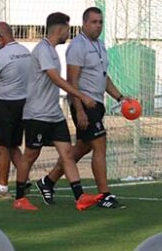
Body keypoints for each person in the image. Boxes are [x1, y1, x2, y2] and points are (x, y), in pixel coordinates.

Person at [35, 7, 128, 209]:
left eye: (101, 22)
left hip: (97, 103)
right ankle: (105, 195)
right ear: (85, 23)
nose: (98, 26)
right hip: (85, 105)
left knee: (82, 148)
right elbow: (72, 81)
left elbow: (104, 77)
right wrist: (79, 109)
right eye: (94, 22)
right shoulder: (77, 46)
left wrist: (120, 97)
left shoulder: (101, 45)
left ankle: (48, 181)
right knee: (100, 144)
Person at [12, 12, 101, 211]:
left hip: (54, 114)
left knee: (68, 153)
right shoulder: (42, 50)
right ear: (59, 30)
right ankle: (19, 198)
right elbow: (55, 78)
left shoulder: (52, 51)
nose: (68, 33)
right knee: (30, 156)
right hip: (37, 114)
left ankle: (80, 197)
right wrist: (81, 96)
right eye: (68, 29)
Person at [0, 22, 32, 199]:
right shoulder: (26, 51)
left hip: (6, 105)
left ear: (1, 37)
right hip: (23, 103)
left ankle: (2, 188)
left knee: (1, 146)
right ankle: (24, 181)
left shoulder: (2, 55)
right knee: (13, 146)